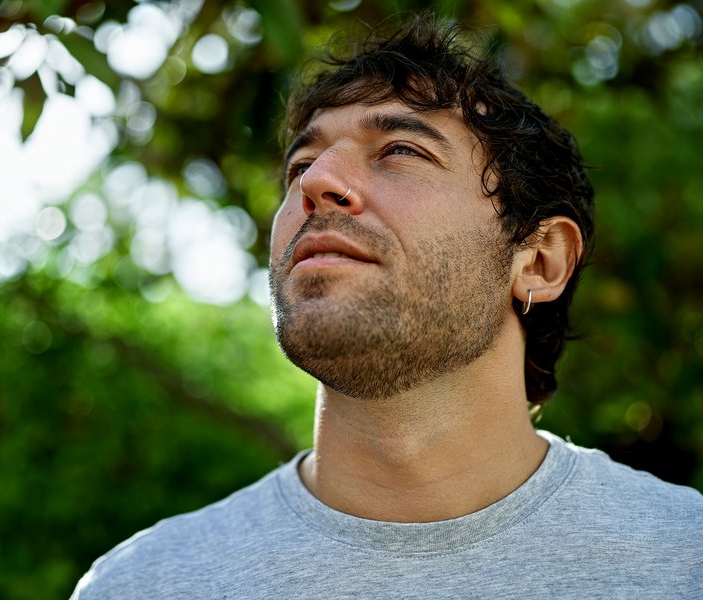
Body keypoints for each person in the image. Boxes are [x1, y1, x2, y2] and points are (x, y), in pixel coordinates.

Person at [72, 13, 703, 599]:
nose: (317, 182)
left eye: (401, 150)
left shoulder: (683, 562)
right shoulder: (142, 584)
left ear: (539, 260)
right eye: (301, 165)